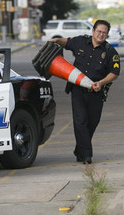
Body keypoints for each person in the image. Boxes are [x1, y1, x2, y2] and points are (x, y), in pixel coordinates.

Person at [49, 19, 120, 164]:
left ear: (107, 35)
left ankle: (79, 150)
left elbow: (115, 73)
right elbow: (67, 42)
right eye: (99, 31)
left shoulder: (110, 52)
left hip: (96, 92)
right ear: (93, 31)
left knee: (91, 124)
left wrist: (101, 83)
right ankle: (87, 155)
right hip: (78, 90)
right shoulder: (81, 41)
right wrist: (56, 40)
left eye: (104, 33)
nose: (101, 35)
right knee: (80, 121)